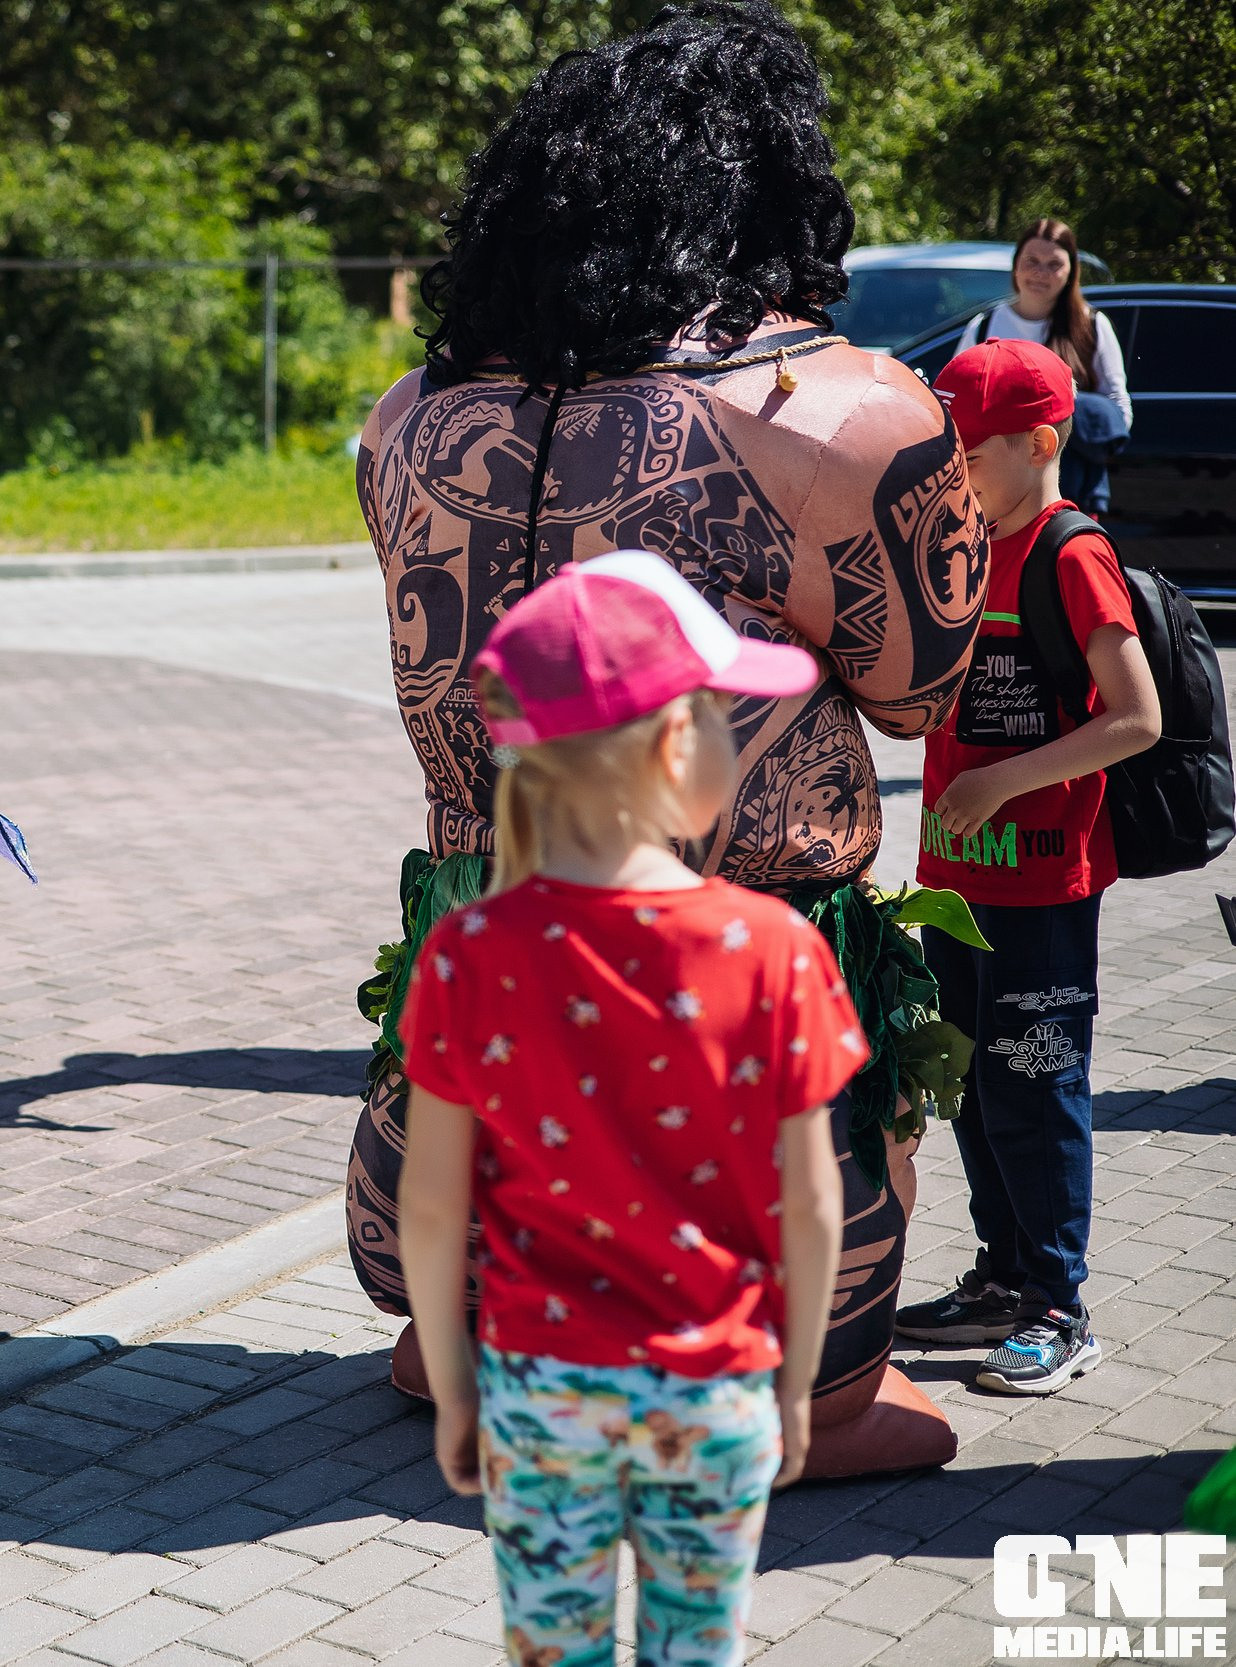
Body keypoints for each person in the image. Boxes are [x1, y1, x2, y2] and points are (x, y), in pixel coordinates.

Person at [348, 0, 985, 1477]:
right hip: (732, 981)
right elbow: (916, 695)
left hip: (483, 968)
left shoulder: (410, 417)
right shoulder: (847, 411)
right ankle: (786, 1404)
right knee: (880, 1420)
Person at [400, 554, 853, 1667]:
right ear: (668, 743)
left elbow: (428, 1204)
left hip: (540, 1390)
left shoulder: (469, 952)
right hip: (717, 1386)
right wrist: (795, 1381)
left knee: (553, 1651)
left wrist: (456, 1388)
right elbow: (811, 1203)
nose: (734, 735)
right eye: (720, 712)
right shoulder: (775, 948)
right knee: (696, 1650)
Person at [892, 339, 1162, 1394]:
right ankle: (1002, 1279)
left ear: (1038, 440)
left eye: (965, 449)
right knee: (969, 1084)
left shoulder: (1067, 551)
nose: (949, 468)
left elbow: (1134, 717)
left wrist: (1003, 784)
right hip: (952, 883)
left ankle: (1058, 1304)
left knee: (1036, 1087)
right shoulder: (958, 547)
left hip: (1041, 884)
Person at [958, 218, 1131, 510]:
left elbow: (1118, 408)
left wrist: (1069, 422)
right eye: (1032, 261)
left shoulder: (1092, 326)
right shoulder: (985, 326)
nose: (1041, 273)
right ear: (1016, 266)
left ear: (1070, 272)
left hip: (1071, 489)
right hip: (996, 495)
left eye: (1054, 264)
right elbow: (961, 400)